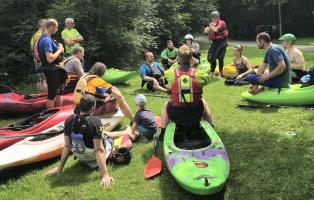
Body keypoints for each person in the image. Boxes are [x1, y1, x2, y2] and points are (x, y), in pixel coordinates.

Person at [46, 94, 114, 188]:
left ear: (80, 106)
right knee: (107, 138)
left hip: (81, 158)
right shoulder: (96, 121)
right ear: (93, 107)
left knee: (102, 135)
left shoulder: (69, 120)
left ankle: (126, 131)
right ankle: (127, 132)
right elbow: (99, 150)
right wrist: (105, 175)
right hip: (93, 158)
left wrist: (59, 168)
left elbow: (67, 146)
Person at [159, 45, 213, 141]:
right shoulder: (199, 74)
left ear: (178, 58)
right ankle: (211, 128)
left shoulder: (170, 73)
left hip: (176, 113)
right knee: (204, 102)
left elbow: (165, 83)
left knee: (166, 104)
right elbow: (208, 79)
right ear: (191, 57)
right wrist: (196, 67)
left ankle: (163, 132)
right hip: (196, 112)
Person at [37, 18, 66, 109]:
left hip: (53, 68)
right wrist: (60, 49)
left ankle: (58, 111)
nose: (56, 30)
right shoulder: (46, 40)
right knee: (52, 93)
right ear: (52, 27)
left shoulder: (46, 38)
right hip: (51, 68)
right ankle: (50, 114)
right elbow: (49, 58)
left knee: (58, 91)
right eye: (56, 28)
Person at [204, 11, 228, 78]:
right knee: (212, 58)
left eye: (216, 17)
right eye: (213, 18)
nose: (214, 19)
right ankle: (212, 72)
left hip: (222, 42)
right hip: (215, 43)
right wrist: (210, 26)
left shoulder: (222, 23)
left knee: (220, 58)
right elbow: (205, 31)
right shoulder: (211, 24)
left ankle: (220, 73)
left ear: (218, 17)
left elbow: (216, 30)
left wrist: (210, 27)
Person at [30, 19, 48, 93]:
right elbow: (42, 48)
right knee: (45, 79)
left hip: (36, 59)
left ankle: (40, 96)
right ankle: (46, 97)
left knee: (40, 79)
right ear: (42, 25)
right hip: (41, 59)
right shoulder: (40, 35)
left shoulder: (34, 35)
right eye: (46, 25)